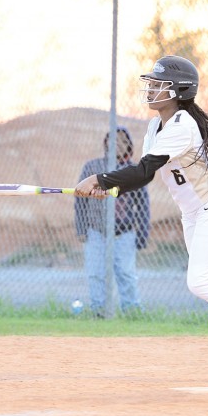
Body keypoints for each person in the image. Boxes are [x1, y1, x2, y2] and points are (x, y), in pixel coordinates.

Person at [75, 55, 208, 385]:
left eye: (159, 85)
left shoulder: (183, 125)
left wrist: (100, 180)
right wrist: (109, 186)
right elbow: (143, 169)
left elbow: (143, 173)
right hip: (193, 214)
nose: (151, 89)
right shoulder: (154, 126)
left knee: (200, 281)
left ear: (177, 91)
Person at [75, 126, 150, 317]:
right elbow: (80, 200)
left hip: (124, 232)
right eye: (112, 140)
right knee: (96, 273)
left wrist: (142, 234)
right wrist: (81, 228)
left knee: (126, 274)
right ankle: (99, 311)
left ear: (129, 146)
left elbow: (143, 204)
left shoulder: (133, 171)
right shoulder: (92, 168)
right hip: (96, 230)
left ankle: (132, 312)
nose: (117, 144)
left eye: (122, 141)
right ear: (105, 144)